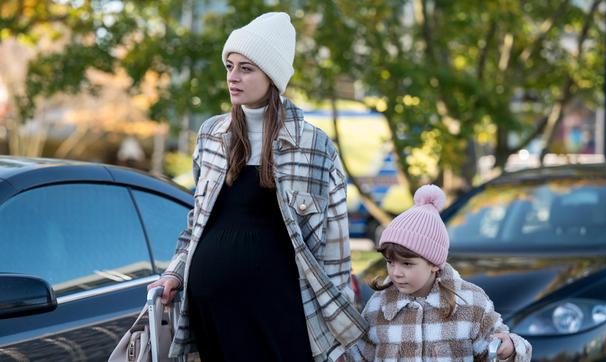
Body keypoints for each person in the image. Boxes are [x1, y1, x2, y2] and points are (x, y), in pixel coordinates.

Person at [147, 12, 367, 362]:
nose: (233, 77)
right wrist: (174, 272)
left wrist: (338, 330)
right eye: (229, 66)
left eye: (246, 68)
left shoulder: (313, 146)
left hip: (280, 314)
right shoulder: (211, 135)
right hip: (211, 312)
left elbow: (335, 248)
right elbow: (197, 223)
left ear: (272, 77)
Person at [347, 185, 532, 361]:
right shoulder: (379, 306)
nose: (396, 272)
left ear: (434, 264)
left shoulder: (470, 302)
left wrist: (508, 350)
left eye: (407, 263)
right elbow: (359, 356)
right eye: (390, 262)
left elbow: (497, 349)